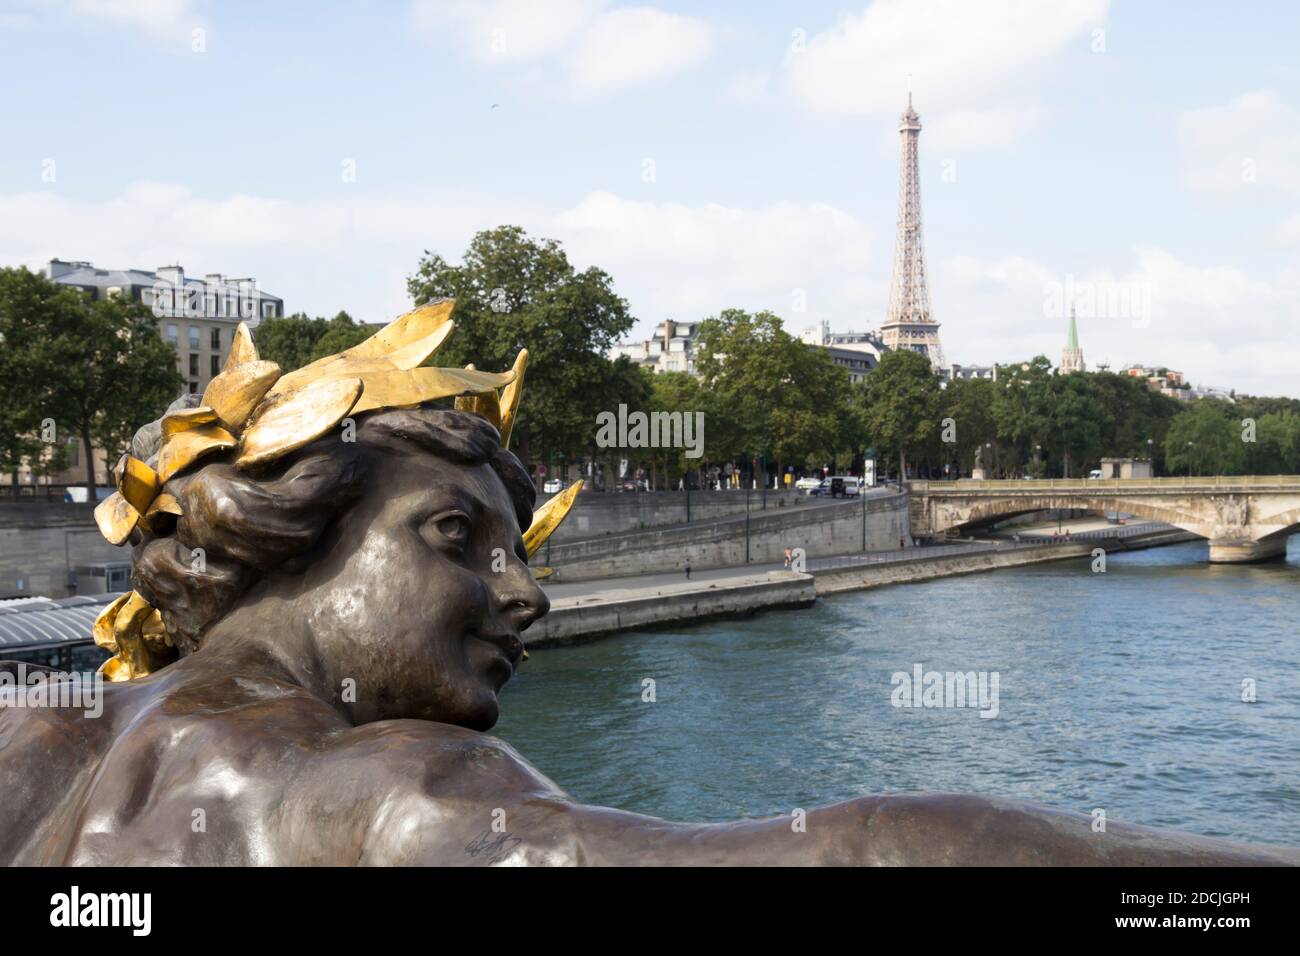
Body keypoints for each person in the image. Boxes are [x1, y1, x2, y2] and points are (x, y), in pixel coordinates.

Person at [1, 310, 1293, 867]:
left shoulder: (30, 745)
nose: (526, 596)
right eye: (459, 537)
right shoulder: (384, 794)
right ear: (286, 533)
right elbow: (881, 849)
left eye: (526, 554)